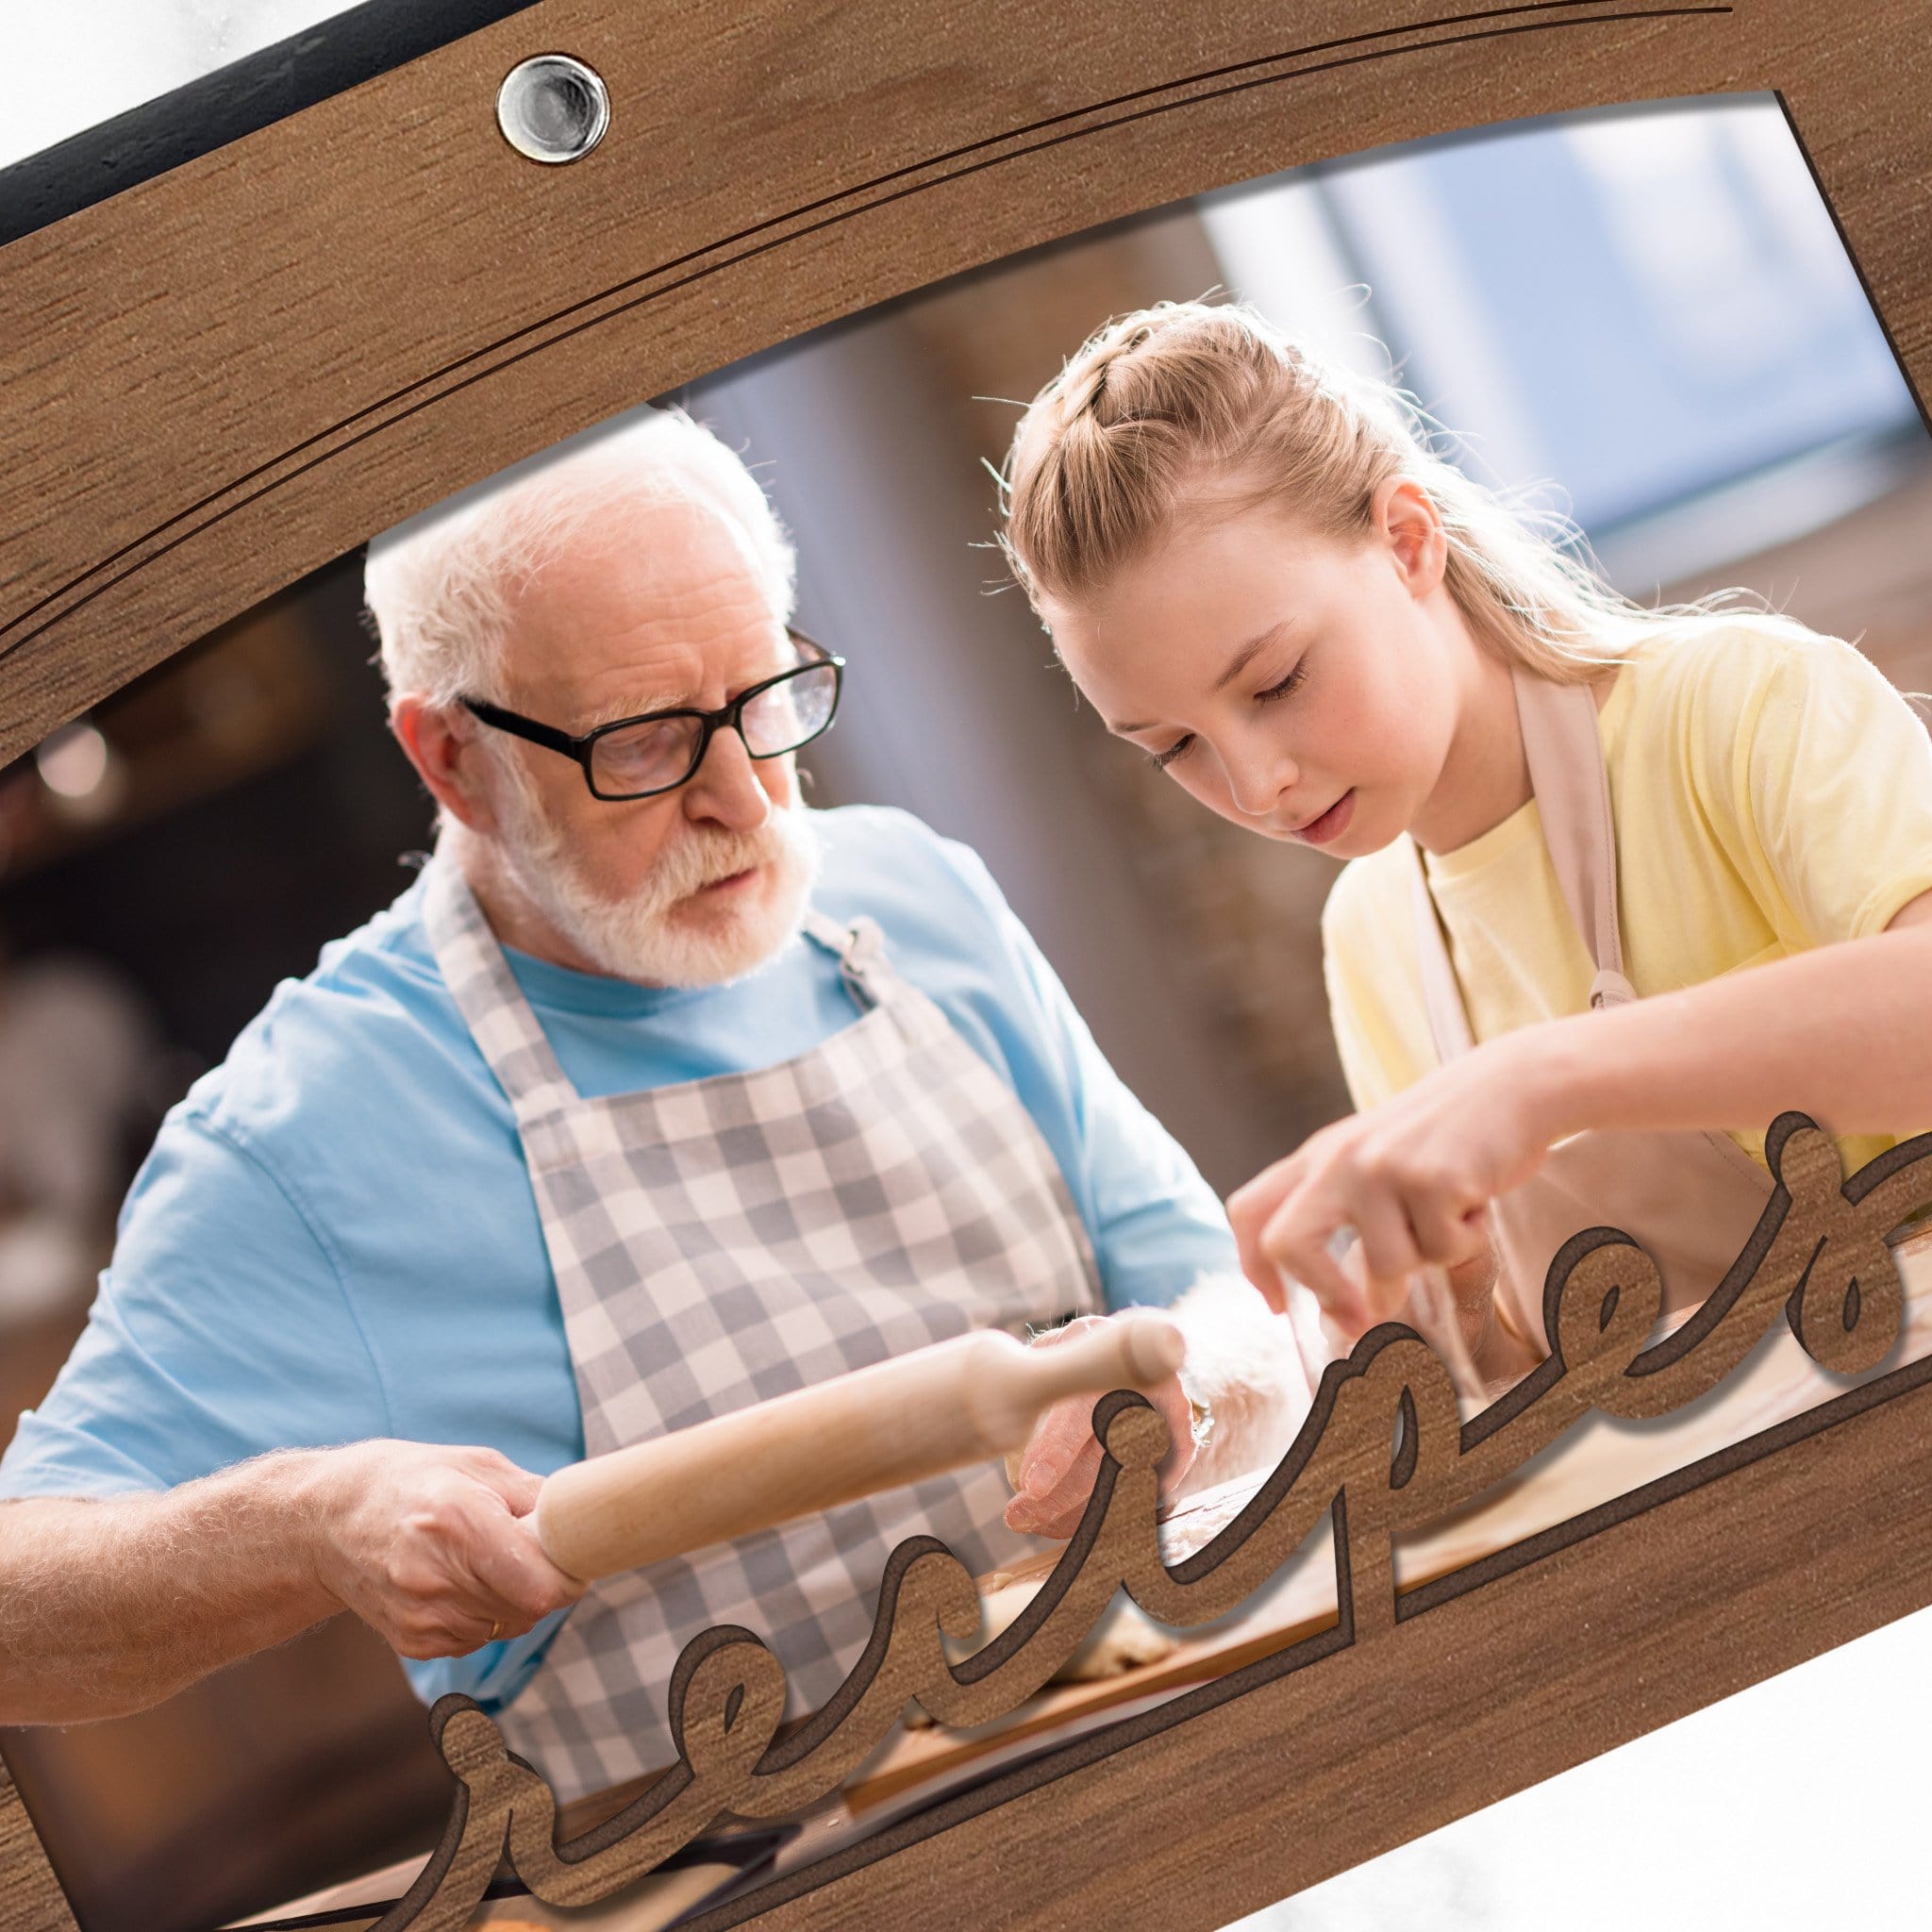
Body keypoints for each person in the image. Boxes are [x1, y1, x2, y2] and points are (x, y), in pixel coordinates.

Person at [0, 405, 1307, 1803]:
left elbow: (1215, 1295)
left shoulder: (912, 897)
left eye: (768, 698)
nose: (745, 799)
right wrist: (314, 1522)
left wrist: (1199, 1388)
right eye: (646, 744)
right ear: (451, 759)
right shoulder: (308, 1131)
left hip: (1186, 1772)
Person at [997, 299, 1932, 1391]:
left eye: (1275, 682)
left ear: (1404, 542)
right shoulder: (1372, 934)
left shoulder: (1737, 705)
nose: (1254, 784)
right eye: (1171, 748)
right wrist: (1404, 1340)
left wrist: (1539, 1081)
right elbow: (1528, 1359)